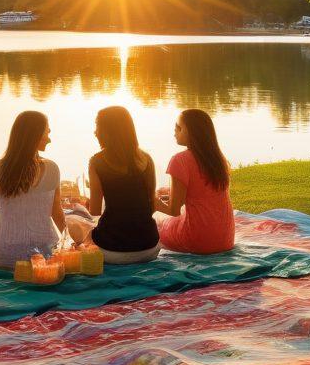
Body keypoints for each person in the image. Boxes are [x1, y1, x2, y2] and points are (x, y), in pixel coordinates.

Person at [0, 110, 66, 269]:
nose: (49, 139)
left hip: (3, 257)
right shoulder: (52, 168)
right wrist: (67, 242)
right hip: (43, 257)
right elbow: (57, 213)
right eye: (47, 133)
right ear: (35, 135)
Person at [155, 109, 235, 254]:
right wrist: (170, 192)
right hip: (225, 239)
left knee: (158, 223)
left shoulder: (179, 160)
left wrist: (153, 202)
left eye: (179, 127)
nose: (174, 130)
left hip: (197, 240)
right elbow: (202, 190)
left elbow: (173, 211)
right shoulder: (217, 159)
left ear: (193, 132)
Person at [87, 105, 160, 264]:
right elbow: (152, 205)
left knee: (75, 222)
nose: (95, 132)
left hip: (111, 250)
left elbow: (94, 211)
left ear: (107, 131)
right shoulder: (147, 159)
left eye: (97, 126)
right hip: (150, 247)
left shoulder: (97, 162)